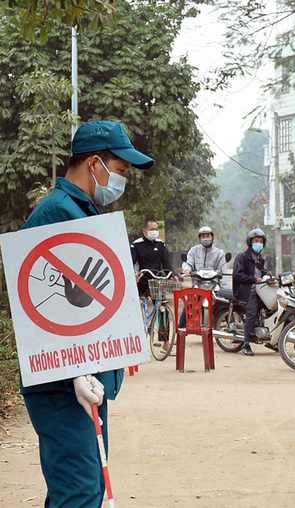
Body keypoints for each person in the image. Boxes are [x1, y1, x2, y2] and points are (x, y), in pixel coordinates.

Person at [20, 120, 154, 506]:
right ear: (95, 163)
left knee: (88, 486)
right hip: (62, 383)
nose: (122, 180)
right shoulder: (57, 213)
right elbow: (37, 302)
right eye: (122, 170)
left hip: (83, 377)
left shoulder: (82, 211)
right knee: (76, 492)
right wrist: (75, 369)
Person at [179, 226, 229, 327]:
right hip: (198, 284)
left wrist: (226, 290)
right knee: (189, 305)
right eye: (203, 236)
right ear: (199, 238)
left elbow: (223, 272)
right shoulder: (194, 251)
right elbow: (188, 263)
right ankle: (181, 333)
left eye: (207, 236)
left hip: (214, 285)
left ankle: (232, 327)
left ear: (212, 237)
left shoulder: (219, 253)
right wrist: (187, 269)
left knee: (225, 304)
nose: (205, 238)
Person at [232, 228, 268, 356]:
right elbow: (237, 274)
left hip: (258, 289)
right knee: (251, 312)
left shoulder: (260, 258)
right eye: (255, 241)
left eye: (260, 241)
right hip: (245, 290)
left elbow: (263, 272)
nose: (258, 243)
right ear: (250, 242)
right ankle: (246, 344)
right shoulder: (242, 257)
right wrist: (254, 279)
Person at [130, 219, 178, 297]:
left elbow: (166, 262)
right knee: (135, 302)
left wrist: (172, 275)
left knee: (161, 303)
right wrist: (134, 274)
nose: (154, 231)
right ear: (144, 231)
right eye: (151, 229)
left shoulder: (160, 244)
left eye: (156, 229)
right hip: (141, 279)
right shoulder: (136, 245)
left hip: (156, 280)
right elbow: (132, 262)